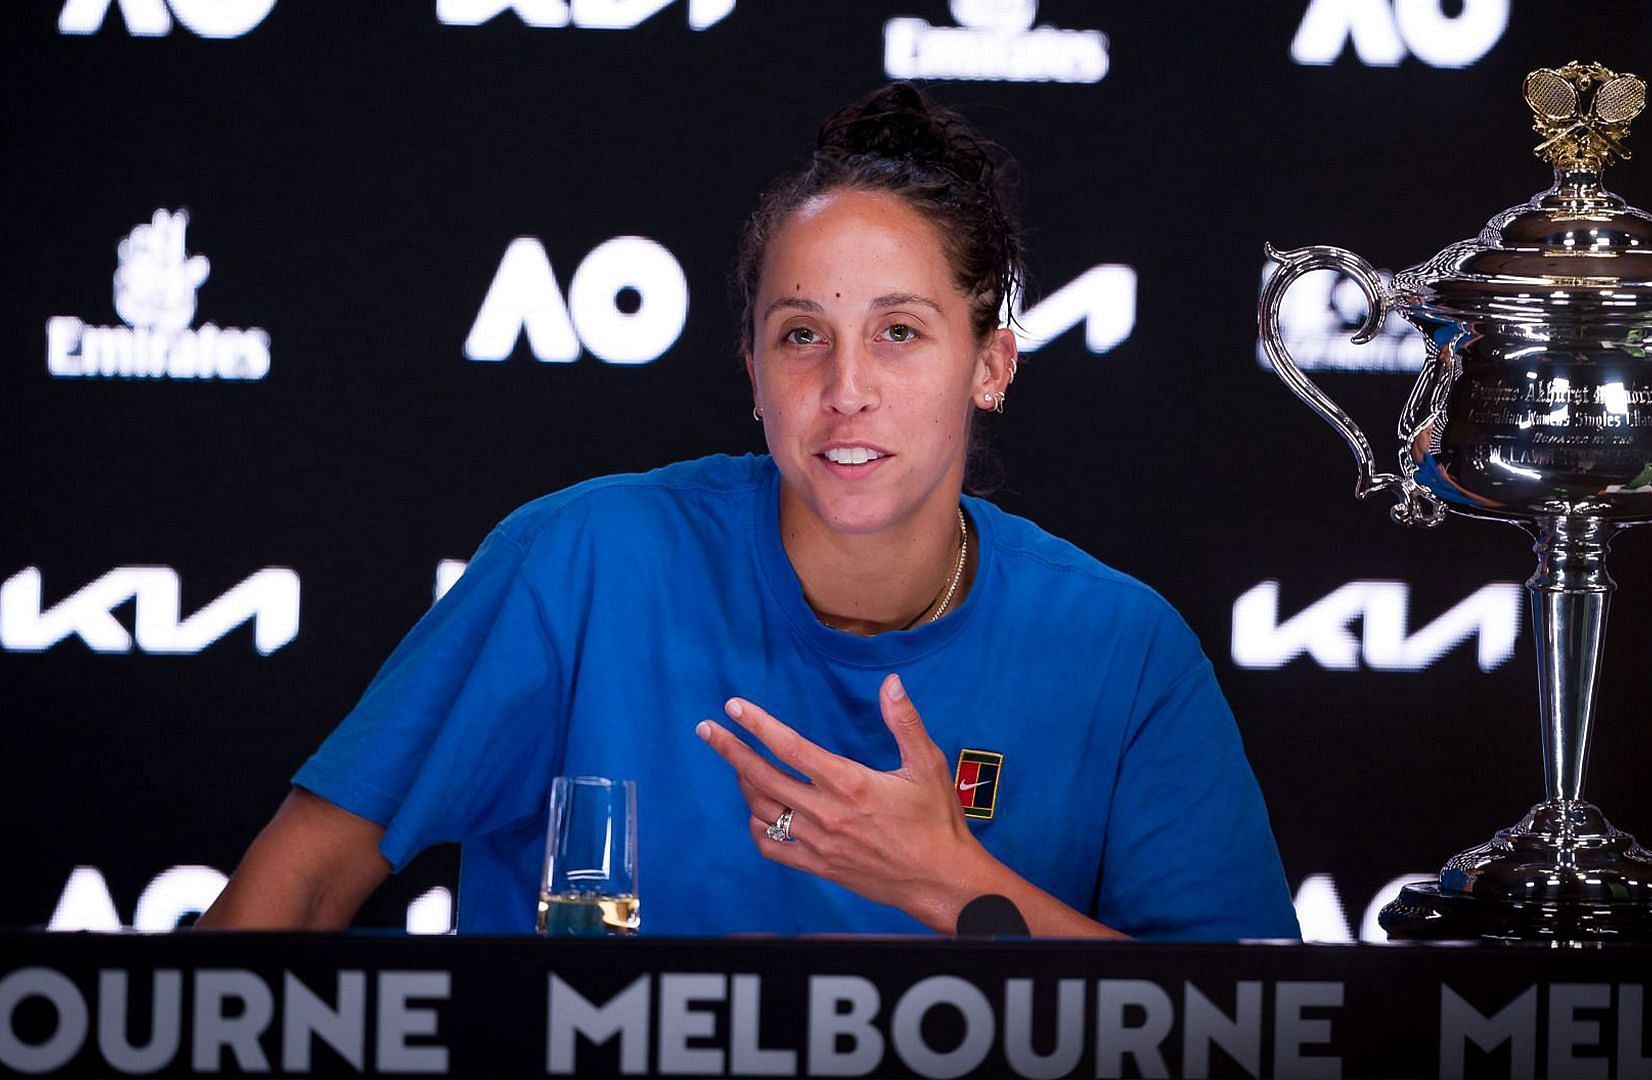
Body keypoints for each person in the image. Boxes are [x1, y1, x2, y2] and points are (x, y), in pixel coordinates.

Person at [201, 84, 1298, 941]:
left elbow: (1248, 1031)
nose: (847, 388)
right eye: (801, 334)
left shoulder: (1125, 652)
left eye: (901, 332)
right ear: (753, 369)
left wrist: (948, 881)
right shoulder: (582, 565)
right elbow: (293, 887)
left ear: (993, 364)